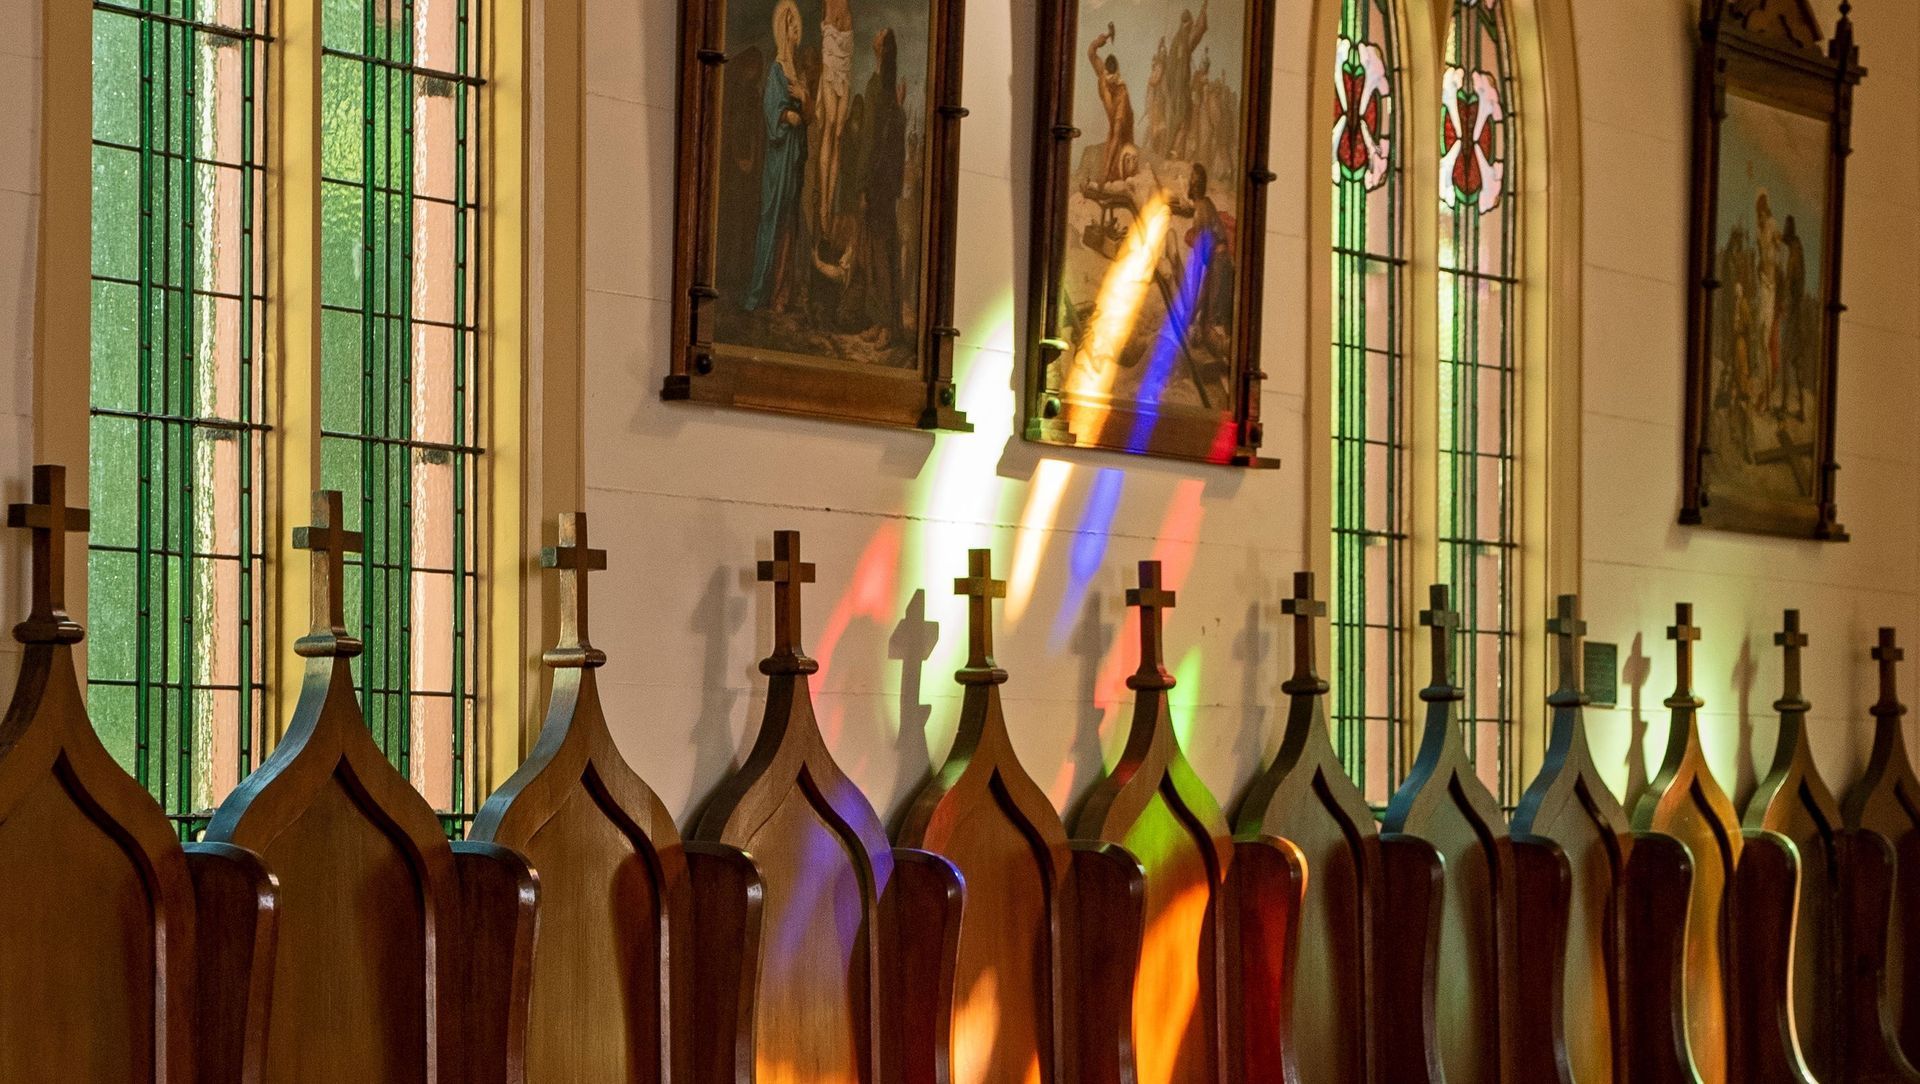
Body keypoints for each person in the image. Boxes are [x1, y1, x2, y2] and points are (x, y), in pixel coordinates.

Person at [837, 27, 908, 343]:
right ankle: (880, 322)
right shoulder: (886, 91)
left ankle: (888, 326)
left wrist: (864, 185)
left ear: (880, 50)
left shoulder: (880, 88)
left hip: (877, 188)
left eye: (879, 42)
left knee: (880, 256)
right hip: (883, 187)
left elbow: (871, 143)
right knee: (875, 254)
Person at [743, 0, 809, 313]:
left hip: (794, 158)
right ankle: (758, 292)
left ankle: (780, 295)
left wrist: (804, 99)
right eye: (791, 25)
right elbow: (770, 113)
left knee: (788, 223)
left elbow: (810, 116)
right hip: (778, 155)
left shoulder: (799, 73)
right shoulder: (775, 70)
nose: (796, 30)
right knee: (771, 220)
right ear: (783, 31)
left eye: (796, 25)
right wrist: (787, 115)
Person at [814, 0, 854, 246]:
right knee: (829, 123)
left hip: (847, 46)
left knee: (839, 131)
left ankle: (830, 195)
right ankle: (825, 207)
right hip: (830, 45)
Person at [1087, 23, 1136, 183]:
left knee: (1119, 163)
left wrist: (1106, 171)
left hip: (1124, 128)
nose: (1109, 83)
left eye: (1112, 81)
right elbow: (1091, 52)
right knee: (1108, 161)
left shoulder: (1122, 93)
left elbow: (1117, 134)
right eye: (1108, 79)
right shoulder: (1102, 73)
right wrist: (1103, 39)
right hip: (1113, 126)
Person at [1165, 0, 1208, 161]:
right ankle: (1172, 150)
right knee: (1182, 118)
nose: (1190, 26)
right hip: (1180, 88)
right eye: (1189, 23)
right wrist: (1203, 10)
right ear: (1188, 23)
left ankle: (1173, 150)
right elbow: (1199, 31)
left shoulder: (1178, 39)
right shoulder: (1183, 40)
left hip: (1178, 87)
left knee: (1182, 118)